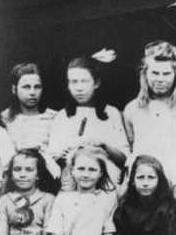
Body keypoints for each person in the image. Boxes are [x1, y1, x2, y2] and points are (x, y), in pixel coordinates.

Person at [122, 40, 176, 188]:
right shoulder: (132, 108)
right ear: (145, 73)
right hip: (143, 185)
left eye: (166, 73)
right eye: (154, 73)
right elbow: (130, 145)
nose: (160, 79)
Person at [47, 57, 128, 187]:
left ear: (96, 83)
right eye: (74, 82)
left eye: (84, 81)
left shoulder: (111, 113)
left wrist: (104, 145)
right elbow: (52, 158)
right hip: (72, 187)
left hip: (108, 187)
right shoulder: (62, 116)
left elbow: (124, 158)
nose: (79, 88)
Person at [0, 63, 57, 157]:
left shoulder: (53, 118)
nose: (32, 92)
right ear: (14, 89)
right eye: (26, 87)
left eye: (37, 87)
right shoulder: (5, 119)